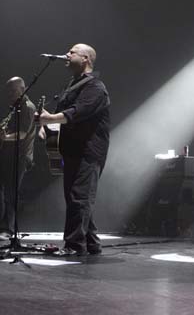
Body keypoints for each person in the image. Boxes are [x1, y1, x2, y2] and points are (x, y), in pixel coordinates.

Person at [38, 44, 110, 256]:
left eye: (71, 52)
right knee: (76, 197)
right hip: (72, 151)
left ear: (86, 58)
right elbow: (61, 113)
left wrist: (51, 118)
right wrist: (47, 126)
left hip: (88, 152)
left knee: (79, 198)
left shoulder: (96, 87)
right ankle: (92, 243)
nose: (66, 55)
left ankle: (74, 246)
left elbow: (78, 112)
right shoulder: (72, 85)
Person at [0, 77, 36, 241]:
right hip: (7, 155)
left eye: (13, 90)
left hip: (20, 157)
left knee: (10, 194)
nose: (9, 94)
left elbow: (22, 134)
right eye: (8, 90)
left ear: (22, 89)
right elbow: (9, 131)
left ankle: (7, 229)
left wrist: (4, 137)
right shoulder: (15, 107)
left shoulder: (28, 108)